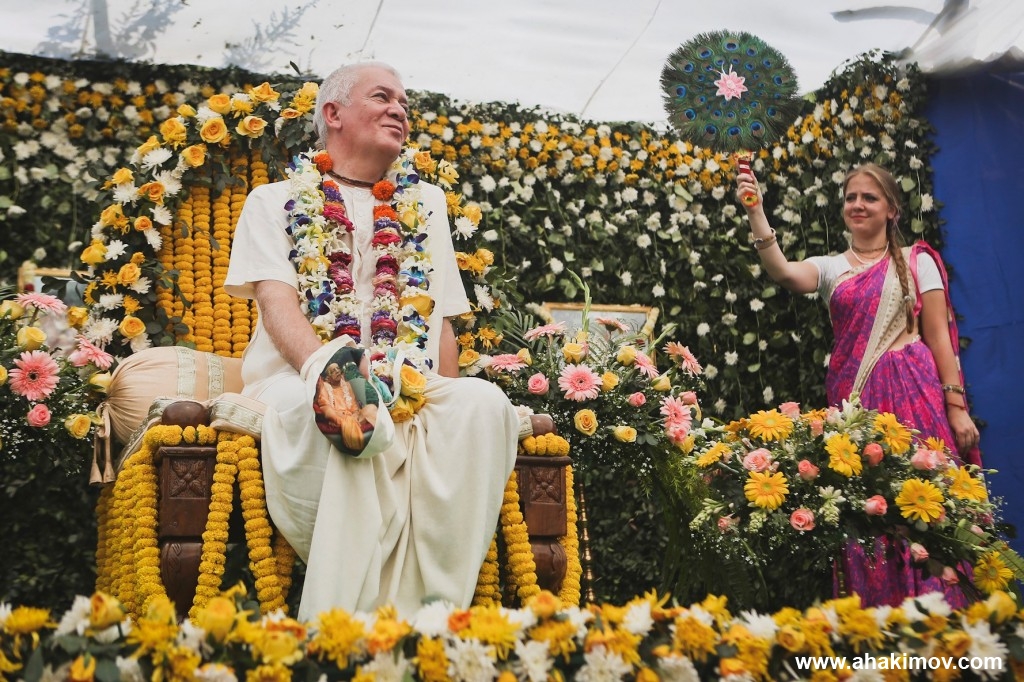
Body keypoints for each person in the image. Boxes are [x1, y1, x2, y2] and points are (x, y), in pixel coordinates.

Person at [225, 61, 520, 620]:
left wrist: (437, 398)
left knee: (483, 405)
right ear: (333, 114)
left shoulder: (425, 202)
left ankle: (434, 613)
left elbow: (441, 317)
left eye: (404, 103)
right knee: (353, 413)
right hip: (298, 378)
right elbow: (277, 303)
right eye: (382, 97)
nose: (399, 110)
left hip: (405, 375)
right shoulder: (274, 199)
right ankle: (344, 622)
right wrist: (329, 370)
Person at [735, 162, 980, 607]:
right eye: (851, 198)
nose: (858, 205)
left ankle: (944, 620)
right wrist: (755, 210)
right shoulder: (831, 268)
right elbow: (784, 272)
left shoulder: (917, 262)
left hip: (916, 396)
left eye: (870, 197)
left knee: (927, 501)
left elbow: (939, 336)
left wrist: (956, 407)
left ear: (892, 209)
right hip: (858, 407)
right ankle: (876, 619)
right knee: (869, 509)